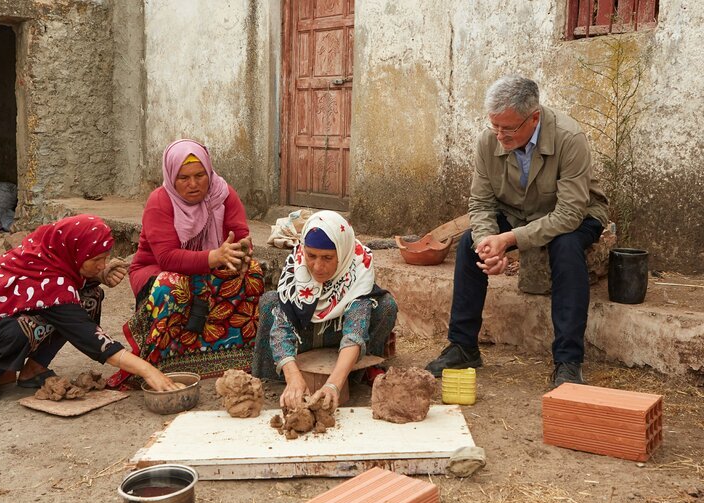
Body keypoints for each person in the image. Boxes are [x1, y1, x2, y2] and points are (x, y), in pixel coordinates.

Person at [424, 75, 609, 388]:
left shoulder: (569, 138)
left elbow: (569, 213)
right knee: (470, 242)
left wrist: (509, 240)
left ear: (533, 117)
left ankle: (568, 360)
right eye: (494, 125)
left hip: (573, 216)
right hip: (516, 213)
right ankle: (463, 346)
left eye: (508, 128)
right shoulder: (489, 140)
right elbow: (480, 204)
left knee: (566, 248)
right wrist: (487, 244)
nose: (499, 135)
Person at [0, 214, 178, 404]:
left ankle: (34, 370)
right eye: (96, 260)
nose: (103, 265)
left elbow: (72, 289)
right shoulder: (48, 277)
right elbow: (85, 332)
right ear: (76, 252)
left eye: (105, 258)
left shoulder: (53, 253)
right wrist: (147, 371)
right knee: (22, 329)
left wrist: (98, 275)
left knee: (91, 297)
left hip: (3, 316)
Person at [107, 139, 264, 388]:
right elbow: (167, 258)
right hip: (158, 273)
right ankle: (157, 363)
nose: (193, 184)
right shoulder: (160, 202)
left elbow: (240, 233)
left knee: (252, 274)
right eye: (184, 178)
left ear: (209, 172)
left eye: (200, 175)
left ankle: (237, 356)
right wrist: (214, 257)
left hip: (211, 267)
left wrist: (241, 253)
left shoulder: (222, 194)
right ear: (171, 177)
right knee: (174, 285)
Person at [252, 210, 398, 410]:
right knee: (270, 303)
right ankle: (275, 380)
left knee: (386, 306)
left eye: (327, 258)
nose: (317, 266)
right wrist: (293, 376)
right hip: (303, 339)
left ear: (342, 252)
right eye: (311, 256)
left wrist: (333, 385)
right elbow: (282, 329)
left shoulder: (357, 269)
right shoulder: (297, 265)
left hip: (338, 338)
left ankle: (358, 374)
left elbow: (355, 333)